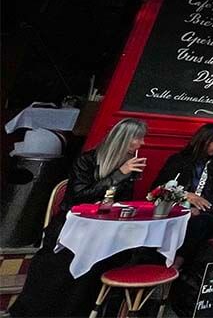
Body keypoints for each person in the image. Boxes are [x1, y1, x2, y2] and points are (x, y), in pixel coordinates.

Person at [12, 118, 149, 317]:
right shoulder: (87, 161)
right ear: (123, 140)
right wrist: (119, 174)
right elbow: (78, 196)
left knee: (120, 255)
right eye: (138, 139)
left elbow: (121, 201)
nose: (142, 143)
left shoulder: (128, 165)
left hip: (104, 227)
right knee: (65, 259)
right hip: (73, 224)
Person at [151, 123, 213, 265]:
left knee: (199, 224)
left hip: (205, 213)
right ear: (203, 139)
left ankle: (177, 263)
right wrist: (185, 195)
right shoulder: (179, 160)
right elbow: (158, 188)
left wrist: (200, 208)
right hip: (175, 208)